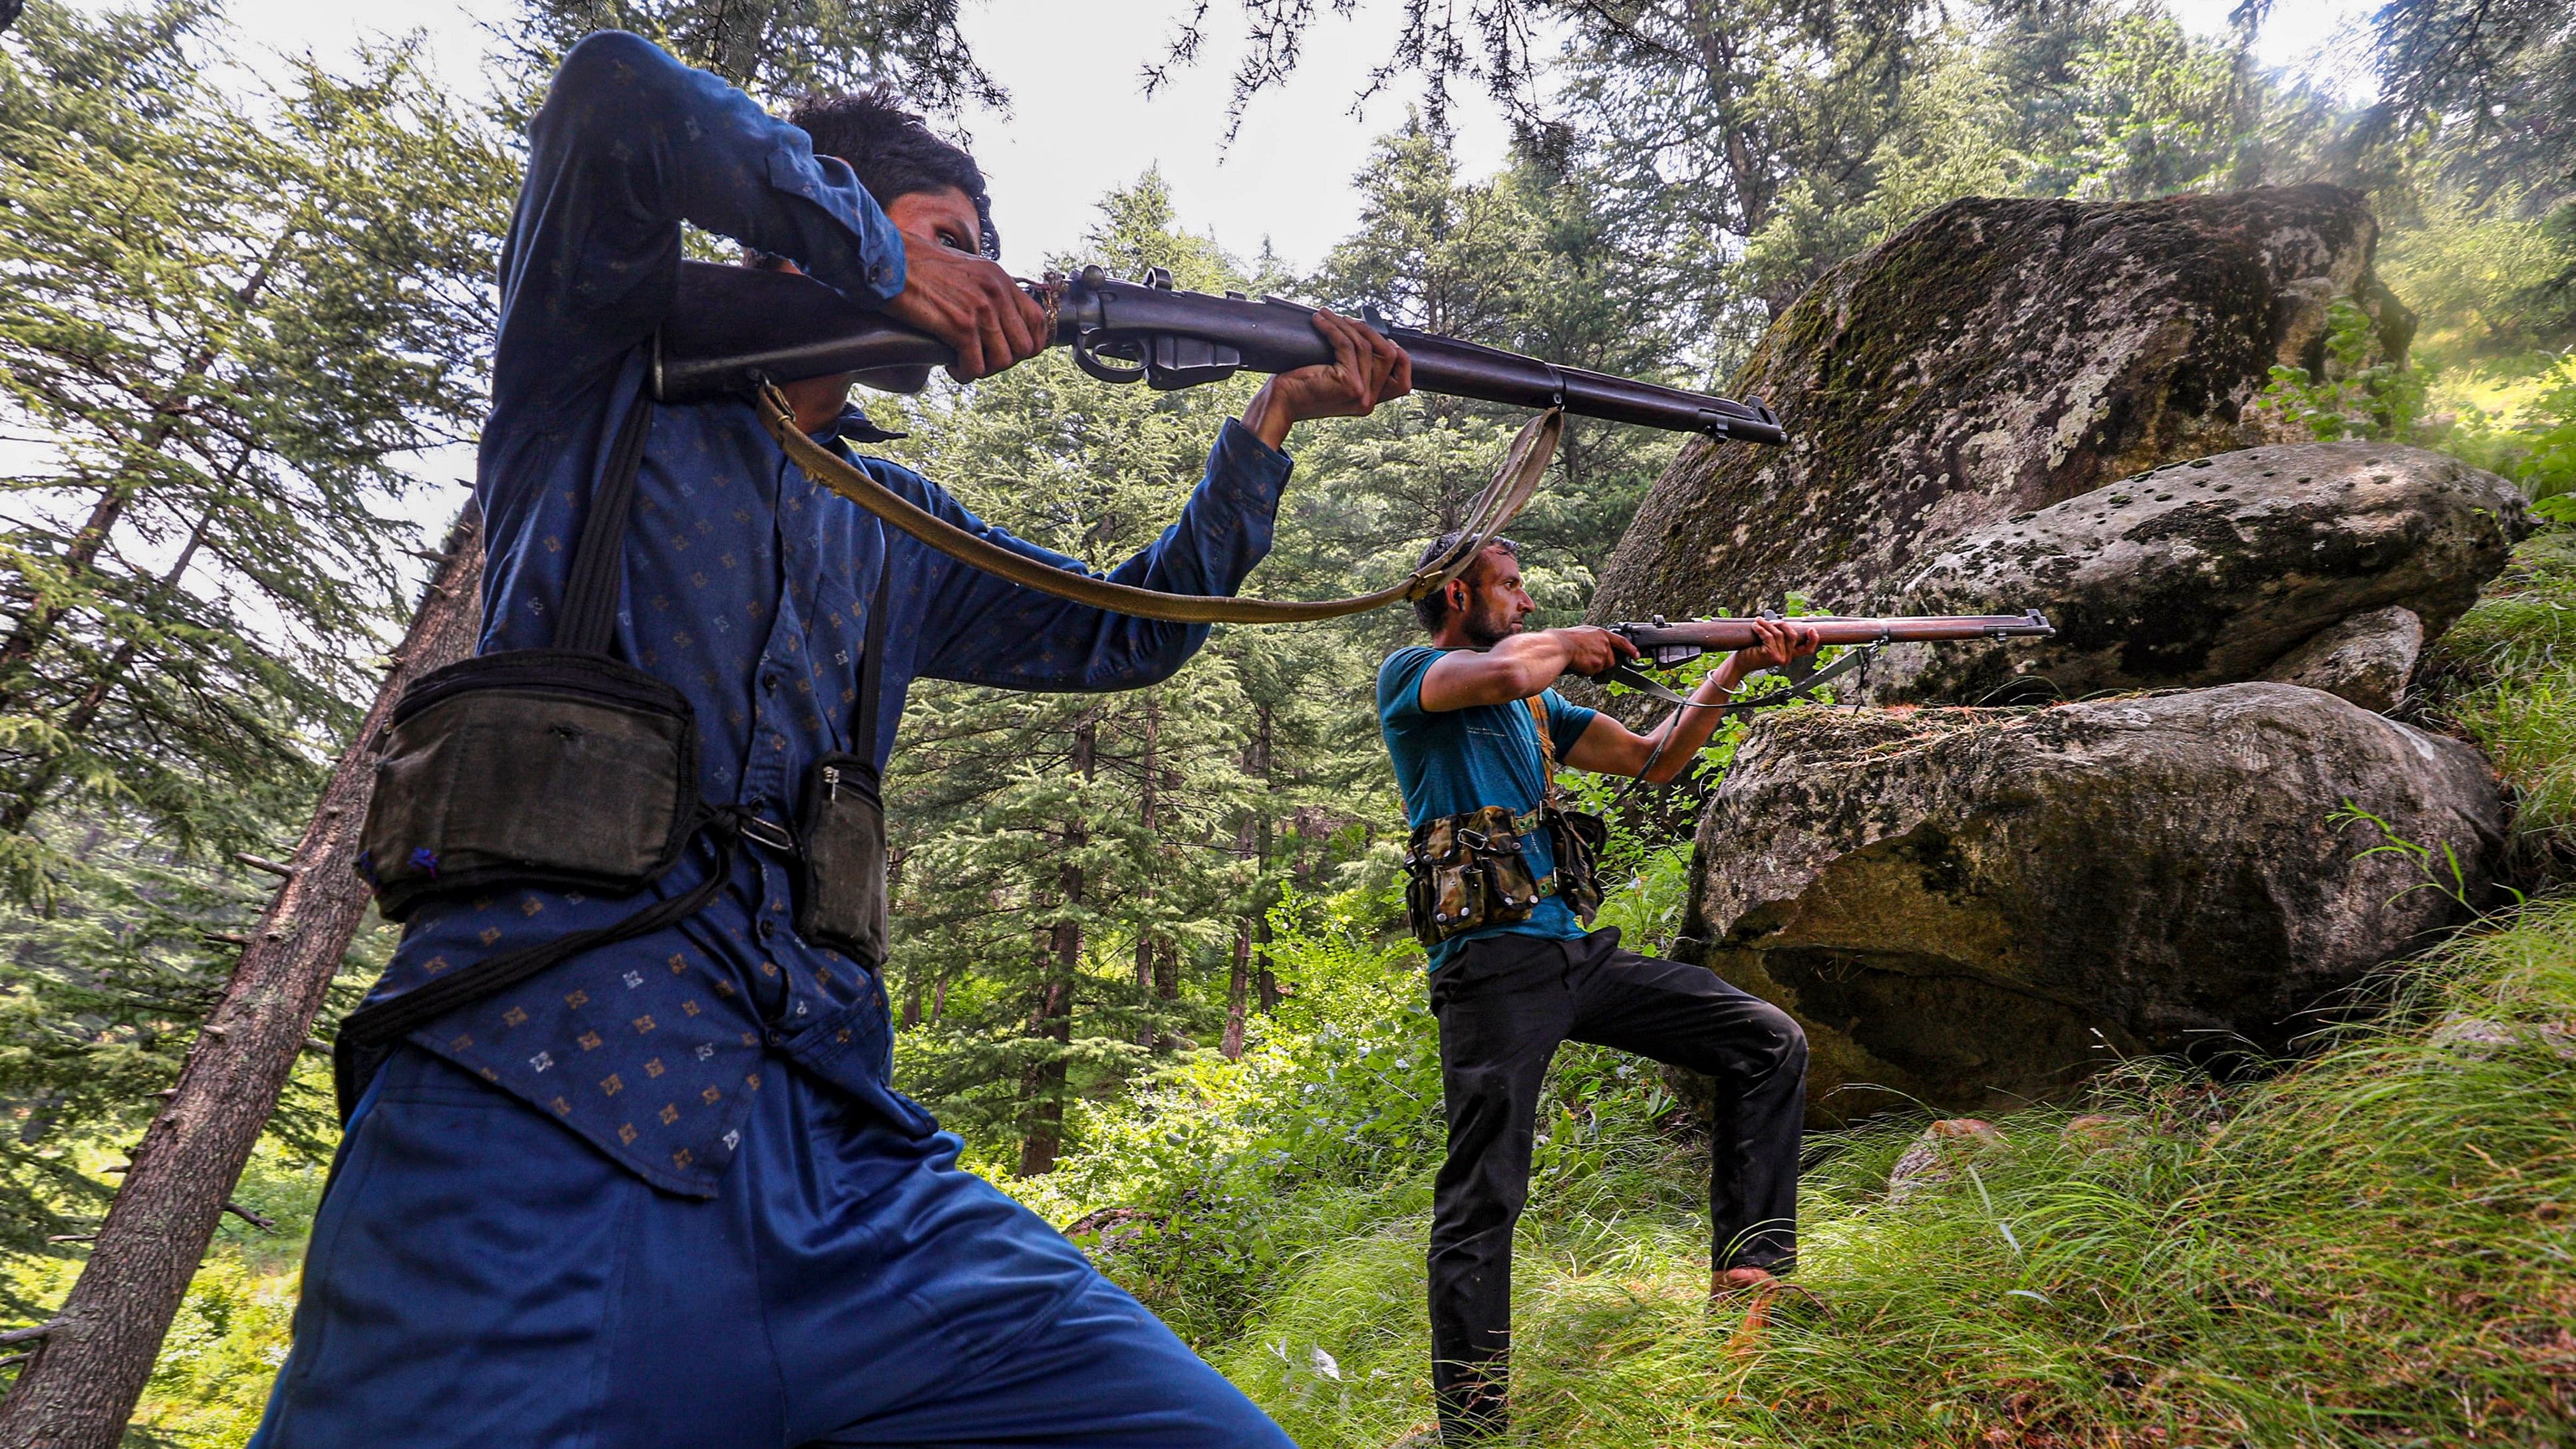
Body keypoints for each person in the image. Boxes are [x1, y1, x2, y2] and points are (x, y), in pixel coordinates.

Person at [252, 31, 1410, 1449]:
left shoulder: (895, 514)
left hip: (849, 1163)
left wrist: (1273, 416)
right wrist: (880, 254)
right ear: (818, 219)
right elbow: (614, 94)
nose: (988, 279)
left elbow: (1133, 630)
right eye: (953, 242)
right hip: (529, 1106)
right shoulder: (597, 372)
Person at [1377, 535, 1820, 1442]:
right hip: (1490, 970)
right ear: (1457, 595)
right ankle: (1472, 1426)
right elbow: (1501, 671)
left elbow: (1654, 759)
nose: (1526, 601)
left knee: (1765, 1041)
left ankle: (1750, 1281)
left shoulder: (1536, 699)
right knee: (1484, 1190)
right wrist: (1578, 640)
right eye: (1510, 585)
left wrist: (1731, 668)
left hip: (1574, 956)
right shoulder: (1415, 673)